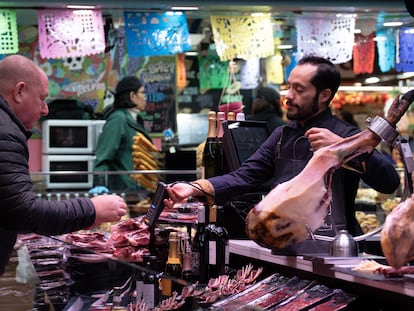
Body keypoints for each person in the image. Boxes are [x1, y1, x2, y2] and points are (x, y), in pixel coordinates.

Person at [165, 55, 400, 254]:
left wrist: (340, 148)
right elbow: (244, 176)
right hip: (285, 247)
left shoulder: (344, 133)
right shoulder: (281, 135)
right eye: (289, 87)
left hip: (334, 253)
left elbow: (389, 180)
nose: (288, 96)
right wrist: (194, 188)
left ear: (324, 95)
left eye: (299, 90)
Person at [0, 54, 127, 275]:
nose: (45, 110)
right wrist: (92, 209)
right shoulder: (5, 131)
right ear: (19, 91)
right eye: (42, 98)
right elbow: (23, 212)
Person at [93, 76, 151, 192]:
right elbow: (103, 155)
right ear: (132, 96)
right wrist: (98, 183)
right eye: (142, 93)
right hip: (123, 190)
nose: (145, 97)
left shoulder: (136, 119)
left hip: (139, 188)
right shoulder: (118, 119)